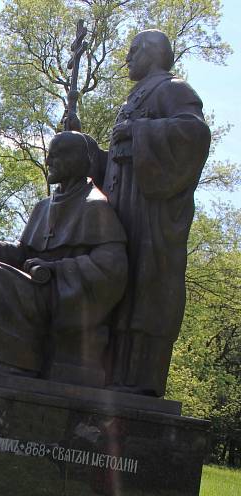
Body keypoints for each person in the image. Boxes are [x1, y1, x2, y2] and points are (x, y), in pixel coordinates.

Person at [0, 131, 128, 387]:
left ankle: (15, 364)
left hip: (64, 296)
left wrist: (55, 270)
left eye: (56, 155)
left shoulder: (96, 206)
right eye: (48, 155)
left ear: (76, 160)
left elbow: (112, 268)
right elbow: (22, 253)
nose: (48, 161)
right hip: (35, 287)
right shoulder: (43, 206)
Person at [98, 30, 211, 396]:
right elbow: (114, 162)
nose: (126, 58)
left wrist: (137, 131)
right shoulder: (137, 94)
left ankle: (138, 380)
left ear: (153, 53)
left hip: (150, 214)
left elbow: (194, 134)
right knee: (117, 284)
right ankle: (107, 372)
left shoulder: (172, 89)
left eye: (133, 50)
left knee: (145, 286)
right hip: (122, 210)